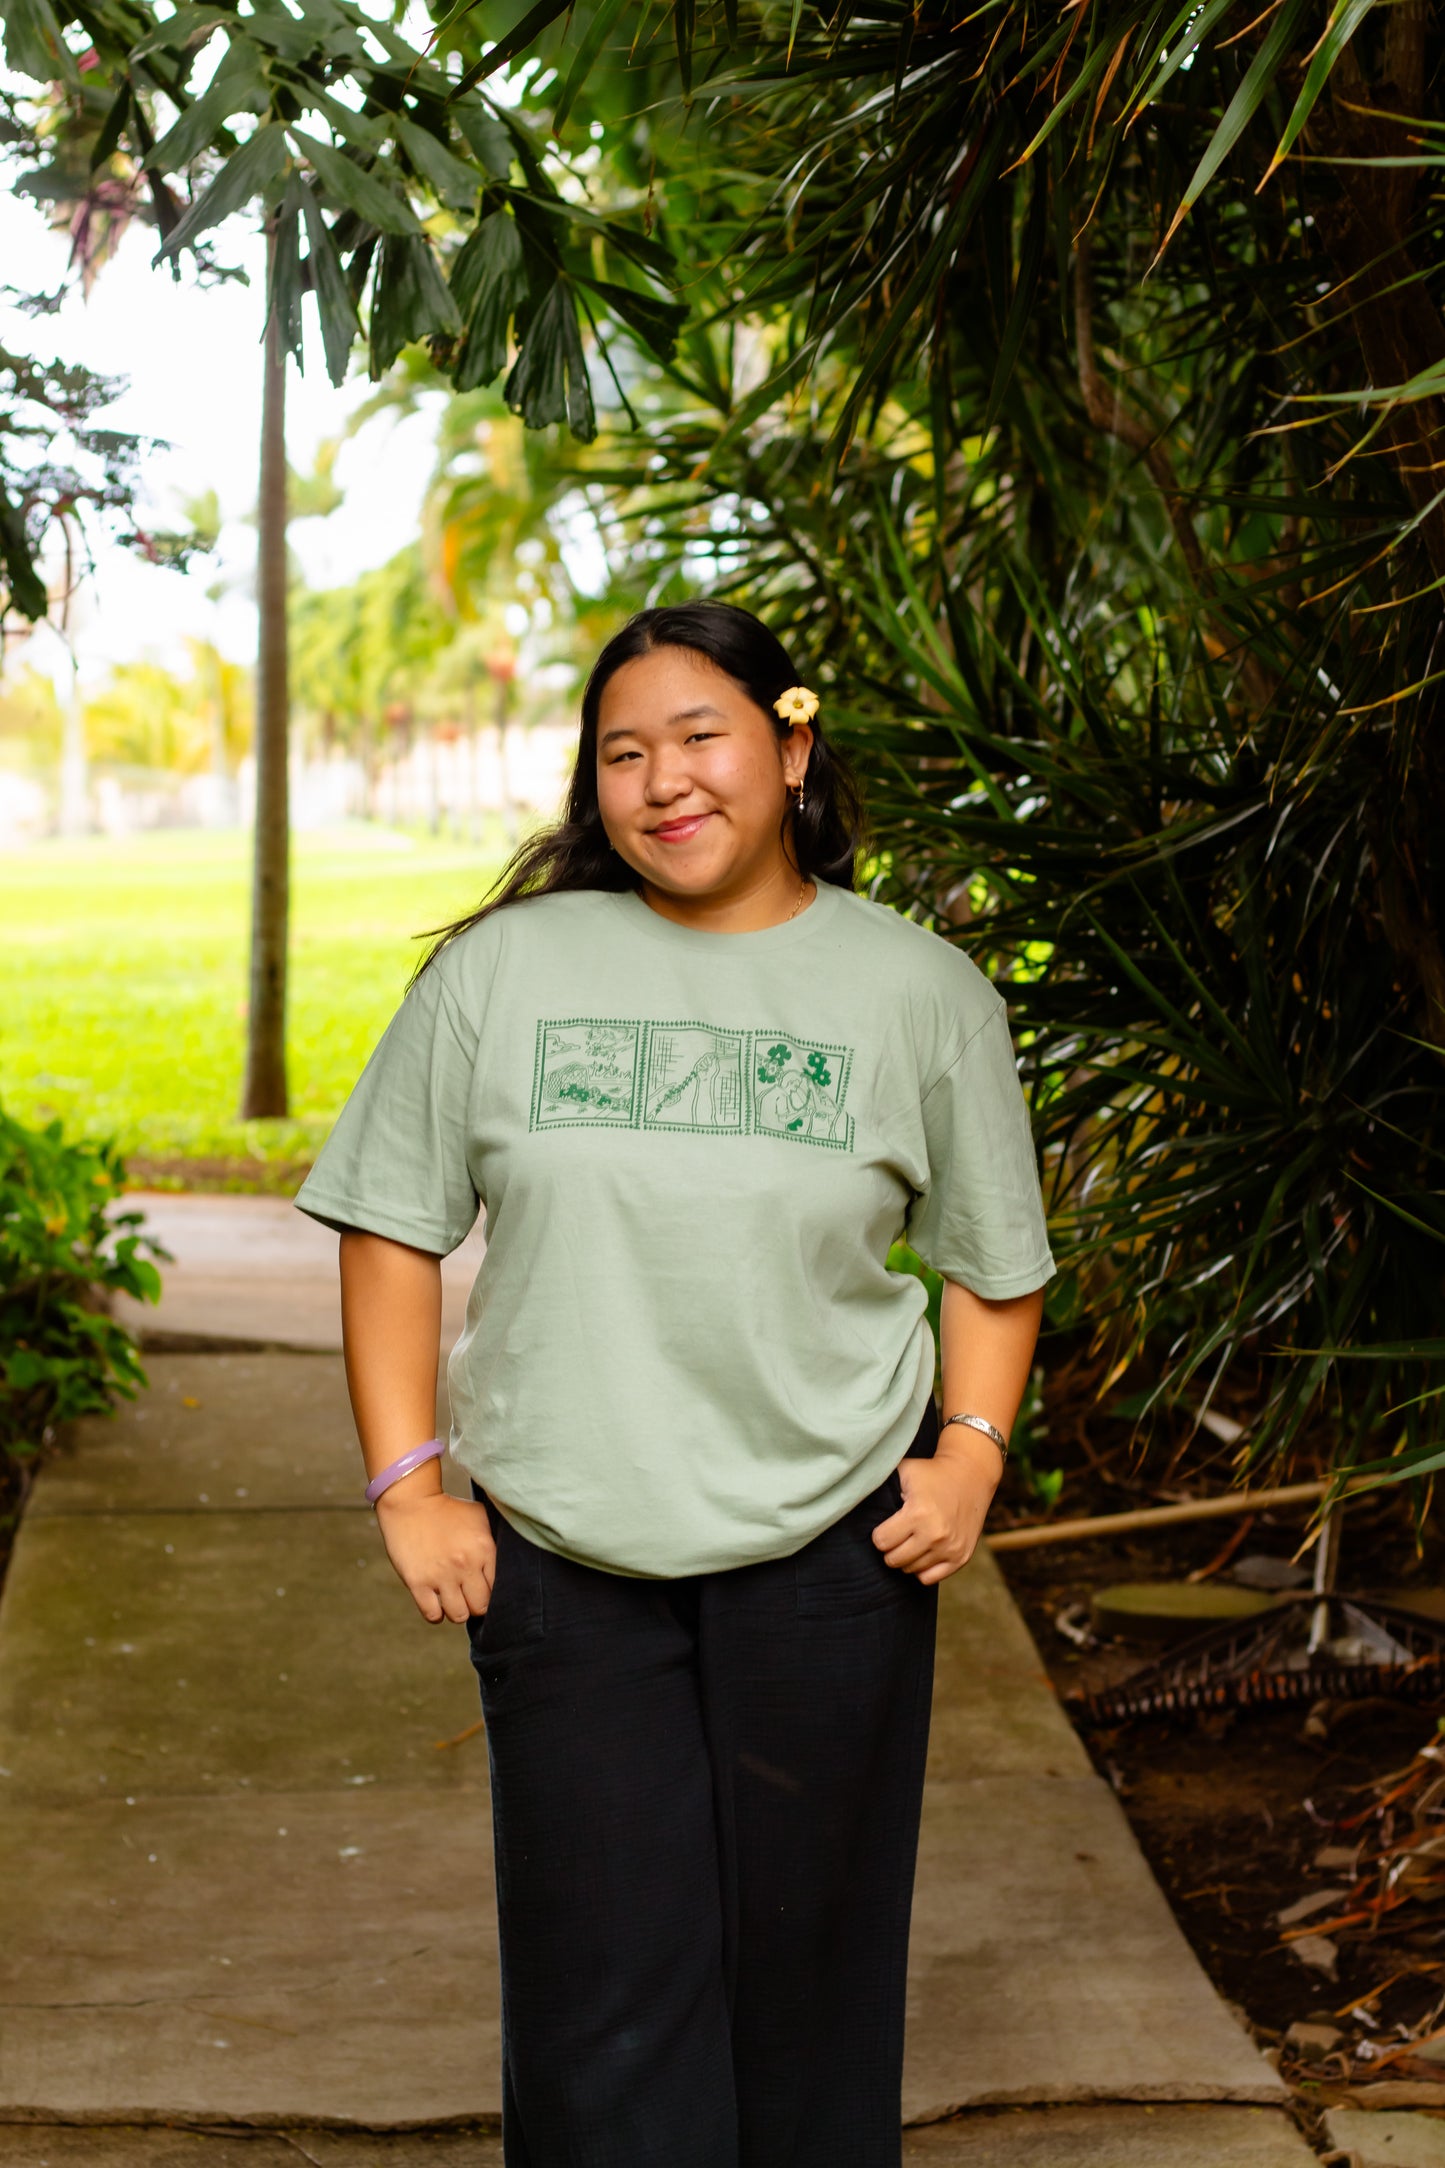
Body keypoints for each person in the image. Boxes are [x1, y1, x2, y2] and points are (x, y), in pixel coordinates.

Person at [295, 601, 1055, 2168]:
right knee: (601, 1997)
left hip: (836, 1546)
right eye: (622, 752)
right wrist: (409, 1485)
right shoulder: (505, 972)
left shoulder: (917, 991)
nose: (662, 782)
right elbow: (389, 1225)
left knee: (813, 1975)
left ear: (788, 745)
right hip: (565, 1555)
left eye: (699, 738)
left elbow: (994, 1258)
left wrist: (968, 1455)